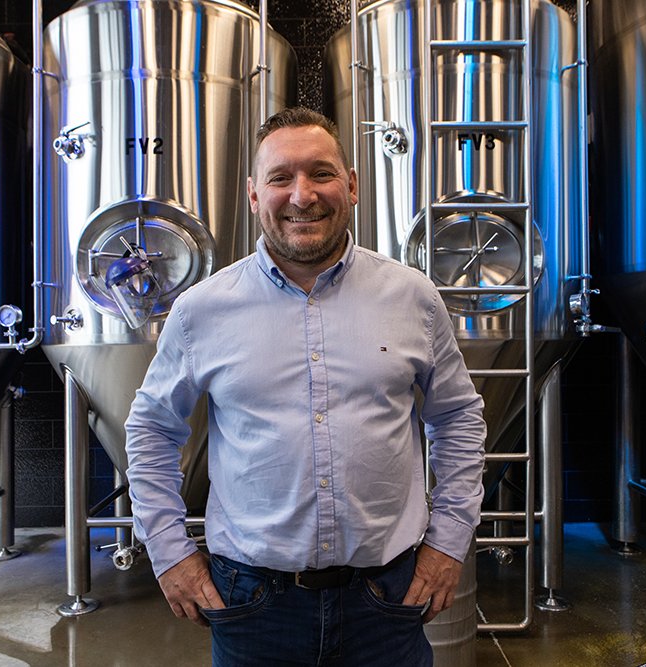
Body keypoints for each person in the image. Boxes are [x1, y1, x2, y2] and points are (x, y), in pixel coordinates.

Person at [125, 107, 486, 666]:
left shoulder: (412, 297)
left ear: (352, 186)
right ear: (253, 195)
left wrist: (449, 540)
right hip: (253, 606)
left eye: (321, 173)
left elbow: (457, 416)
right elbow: (151, 428)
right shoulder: (202, 310)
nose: (302, 195)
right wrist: (169, 552)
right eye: (280, 178)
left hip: (387, 599)